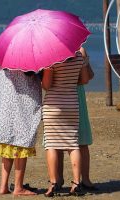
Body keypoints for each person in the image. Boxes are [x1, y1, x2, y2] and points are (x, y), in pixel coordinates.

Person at [0, 68, 42, 196]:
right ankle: (18, 187)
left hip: (6, 107)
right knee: (21, 144)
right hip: (22, 105)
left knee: (7, 144)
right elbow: (33, 75)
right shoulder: (28, 61)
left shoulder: (4, 62)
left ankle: (3, 186)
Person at [42, 49, 90, 197]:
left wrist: (44, 73)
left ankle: (54, 183)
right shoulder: (78, 56)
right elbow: (85, 80)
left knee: (51, 145)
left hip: (53, 106)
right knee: (72, 144)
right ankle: (76, 183)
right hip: (72, 105)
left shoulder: (51, 58)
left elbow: (47, 85)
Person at [57, 47, 98, 191]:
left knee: (57, 143)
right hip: (76, 96)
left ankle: (58, 179)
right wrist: (84, 62)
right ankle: (85, 179)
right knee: (82, 140)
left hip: (56, 97)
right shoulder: (80, 50)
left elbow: (46, 83)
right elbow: (87, 78)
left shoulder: (51, 50)